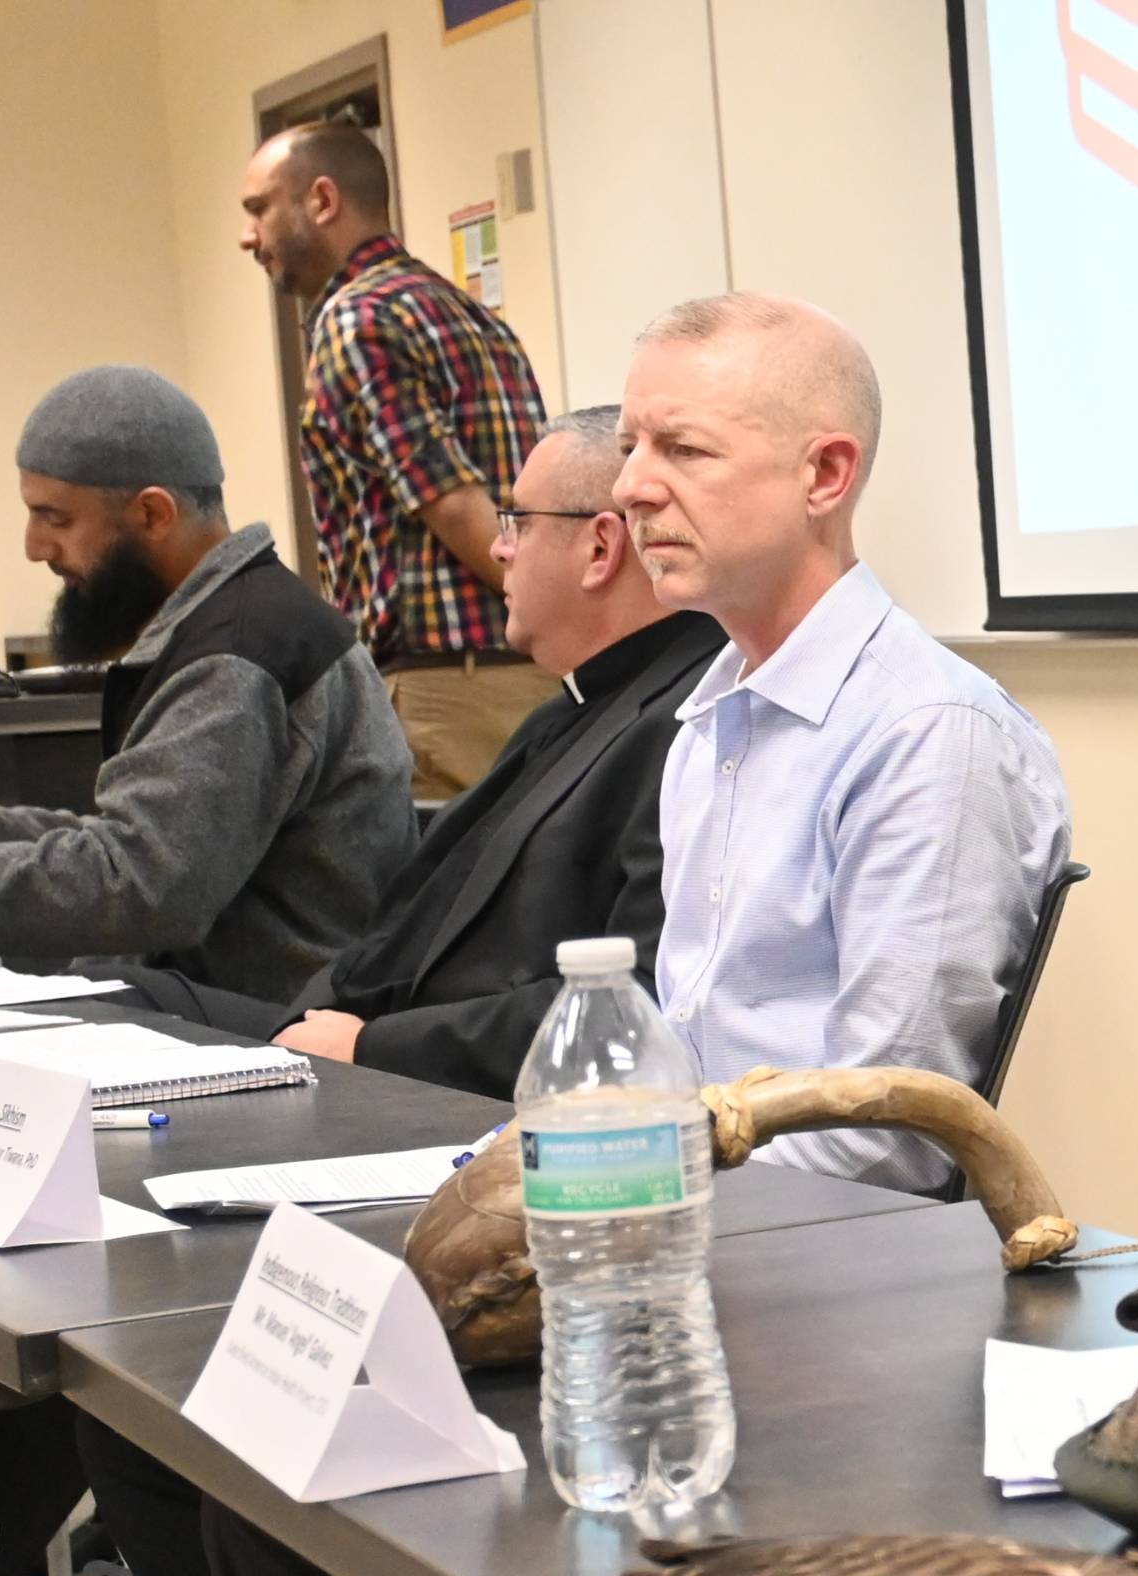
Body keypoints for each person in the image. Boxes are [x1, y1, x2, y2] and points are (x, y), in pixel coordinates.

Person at [108, 404, 722, 1096]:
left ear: (600, 549)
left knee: (115, 1010)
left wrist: (372, 1045)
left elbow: (639, 999)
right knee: (108, 1005)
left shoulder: (687, 723)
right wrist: (322, 1022)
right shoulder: (577, 707)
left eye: (516, 520)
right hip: (370, 1041)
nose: (498, 547)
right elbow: (406, 929)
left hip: (440, 1081)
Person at [626, 295, 1069, 1187]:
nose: (631, 485)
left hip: (823, 1254)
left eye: (683, 449)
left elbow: (889, 1135)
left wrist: (634, 1195)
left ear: (824, 476)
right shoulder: (712, 717)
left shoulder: (926, 737)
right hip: (706, 1220)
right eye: (630, 445)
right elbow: (682, 1057)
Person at [0, 366, 413, 999]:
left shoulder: (238, 659)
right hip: (214, 1006)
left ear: (152, 512)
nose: (34, 547)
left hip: (261, 1029)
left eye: (53, 518)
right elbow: (142, 846)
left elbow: (141, 889)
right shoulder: (234, 624)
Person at [239, 116, 555, 797]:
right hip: (527, 669)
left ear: (322, 201)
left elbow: (453, 504)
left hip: (443, 692)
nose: (248, 237)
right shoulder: (472, 315)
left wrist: (543, 601)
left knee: (448, 898)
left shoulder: (357, 320)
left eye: (259, 209)